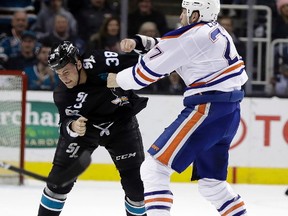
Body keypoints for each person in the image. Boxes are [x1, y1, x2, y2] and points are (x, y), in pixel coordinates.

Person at [107, 0, 249, 215]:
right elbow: (171, 46)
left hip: (207, 109)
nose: (181, 16)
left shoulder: (191, 36)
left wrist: (114, 79)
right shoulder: (214, 30)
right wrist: (140, 42)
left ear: (195, 14)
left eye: (185, 11)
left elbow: (141, 77)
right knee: (213, 185)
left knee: (154, 169)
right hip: (229, 111)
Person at [36, 41, 148, 216]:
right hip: (86, 131)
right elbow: (64, 125)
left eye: (66, 71)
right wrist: (73, 126)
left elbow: (141, 63)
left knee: (137, 189)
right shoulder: (62, 94)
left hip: (120, 124)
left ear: (79, 63)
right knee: (58, 185)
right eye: (59, 74)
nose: (64, 78)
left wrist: (122, 80)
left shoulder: (100, 60)